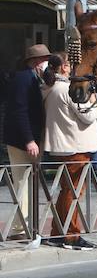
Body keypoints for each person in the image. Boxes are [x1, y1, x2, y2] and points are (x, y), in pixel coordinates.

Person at [41, 54, 97, 250]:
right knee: (73, 192)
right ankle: (72, 235)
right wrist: (94, 99)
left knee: (66, 190)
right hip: (76, 146)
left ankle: (58, 232)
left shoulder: (50, 87)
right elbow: (88, 116)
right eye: (71, 64)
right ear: (64, 67)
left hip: (63, 145)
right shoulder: (67, 89)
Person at [3, 44, 49, 243]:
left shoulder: (33, 79)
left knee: (27, 183)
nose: (47, 64)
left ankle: (23, 225)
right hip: (22, 140)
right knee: (22, 182)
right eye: (45, 60)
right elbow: (19, 112)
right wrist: (29, 140)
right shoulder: (24, 79)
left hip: (27, 139)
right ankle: (17, 227)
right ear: (37, 62)